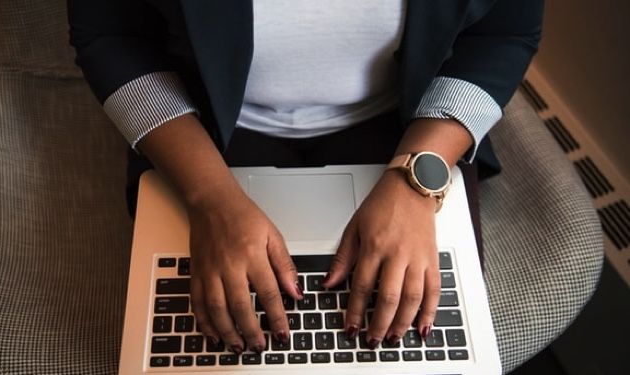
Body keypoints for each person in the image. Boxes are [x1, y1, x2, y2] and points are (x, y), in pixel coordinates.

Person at [68, 0, 543, 355]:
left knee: (414, 349)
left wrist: (415, 181)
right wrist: (210, 196)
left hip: (409, 119)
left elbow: (503, 34)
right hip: (204, 123)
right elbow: (109, 34)